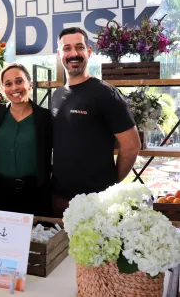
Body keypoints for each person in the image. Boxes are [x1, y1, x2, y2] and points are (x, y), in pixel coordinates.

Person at [51, 27, 141, 217]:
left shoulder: (105, 93)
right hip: (59, 199)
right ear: (59, 54)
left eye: (79, 47)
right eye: (67, 48)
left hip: (96, 202)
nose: (73, 53)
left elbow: (131, 146)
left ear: (88, 51)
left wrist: (110, 184)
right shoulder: (57, 95)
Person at [0, 63, 52, 216]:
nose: (14, 88)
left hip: (35, 194)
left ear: (29, 84)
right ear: (2, 90)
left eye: (19, 81)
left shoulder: (45, 117)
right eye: (8, 84)